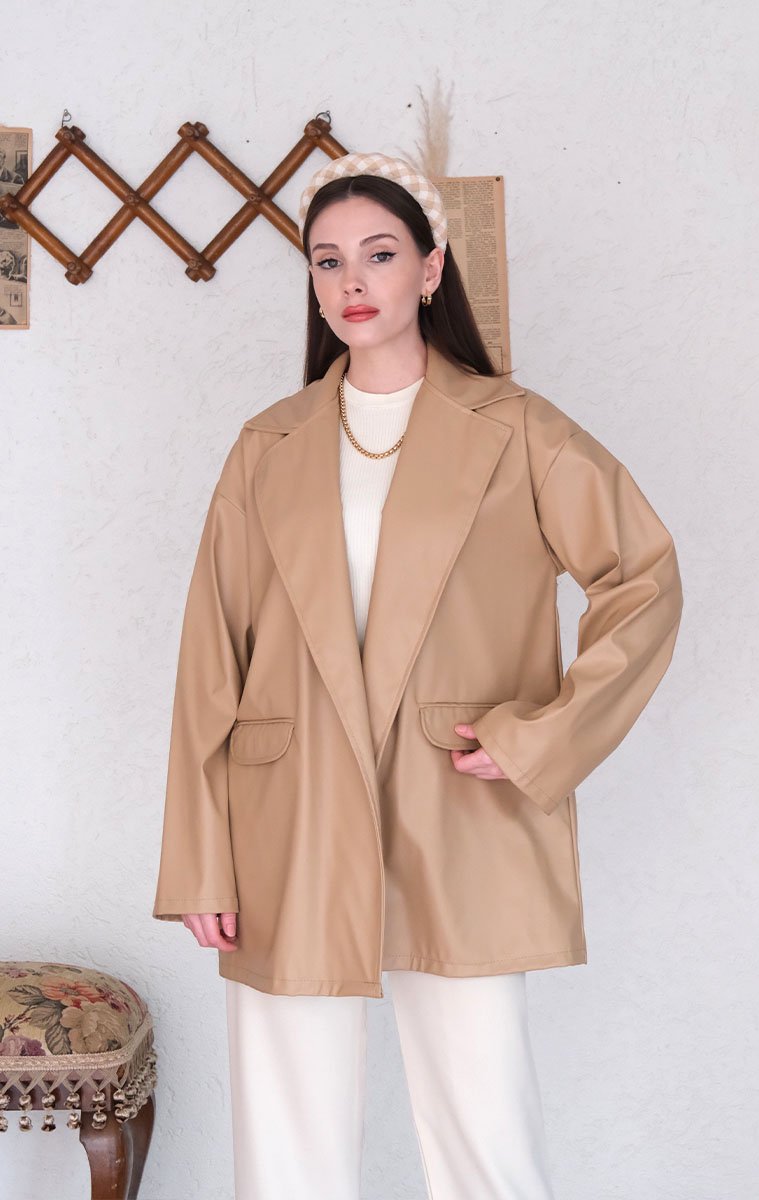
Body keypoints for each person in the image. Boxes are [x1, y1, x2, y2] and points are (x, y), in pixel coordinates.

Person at [152, 152, 683, 1198]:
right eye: (327, 261)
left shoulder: (518, 430)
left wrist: (539, 737)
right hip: (290, 811)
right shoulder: (266, 446)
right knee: (287, 1142)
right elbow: (211, 653)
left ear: (431, 270)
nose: (352, 281)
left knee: (485, 1131)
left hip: (458, 802)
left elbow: (643, 580)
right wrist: (198, 857)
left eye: (380, 254)